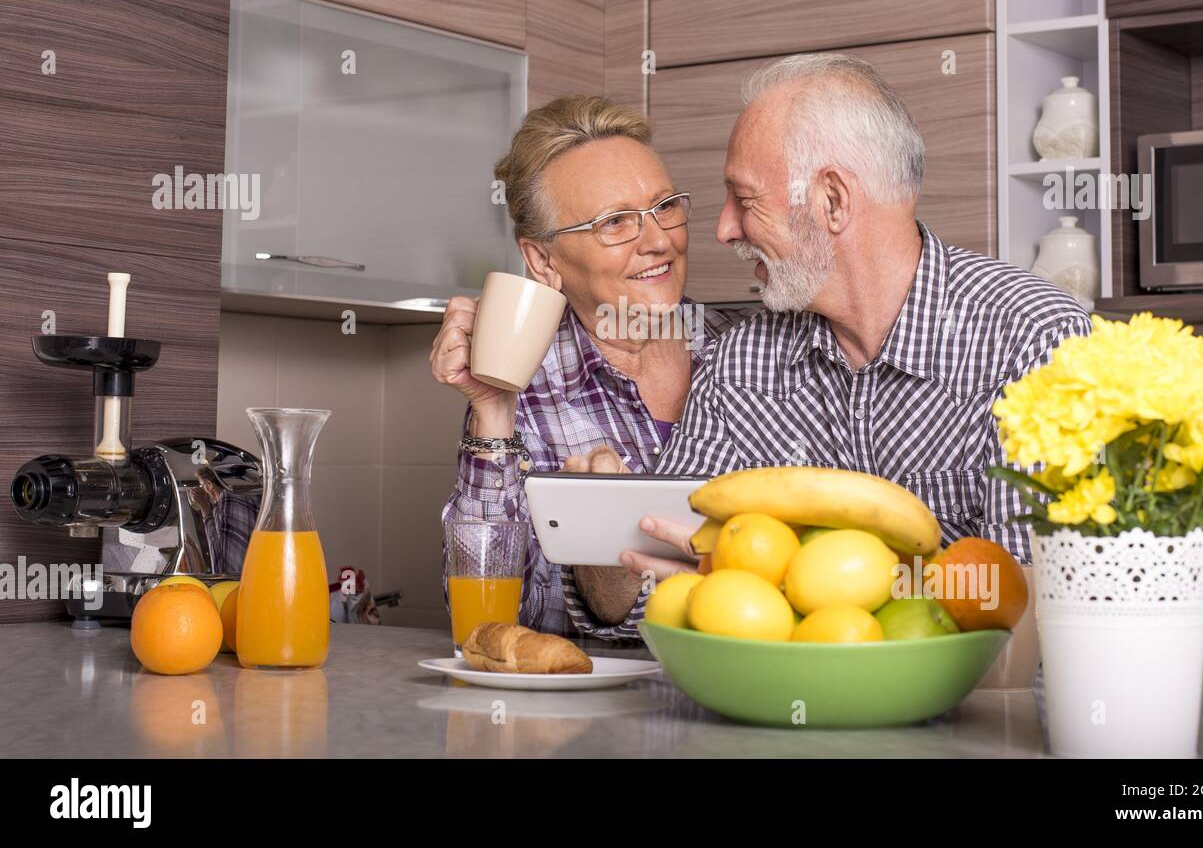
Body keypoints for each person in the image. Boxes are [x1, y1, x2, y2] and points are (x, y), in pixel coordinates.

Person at [605, 52, 1092, 582]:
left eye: (745, 200)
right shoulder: (737, 364)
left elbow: (1036, 598)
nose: (725, 230)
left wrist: (803, 588)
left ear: (833, 201)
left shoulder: (1036, 341)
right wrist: (609, 523)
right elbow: (660, 575)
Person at [431, 95, 750, 640]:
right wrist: (492, 412)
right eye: (615, 222)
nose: (659, 241)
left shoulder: (749, 349)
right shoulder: (526, 388)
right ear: (543, 261)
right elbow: (494, 620)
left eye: (665, 206)